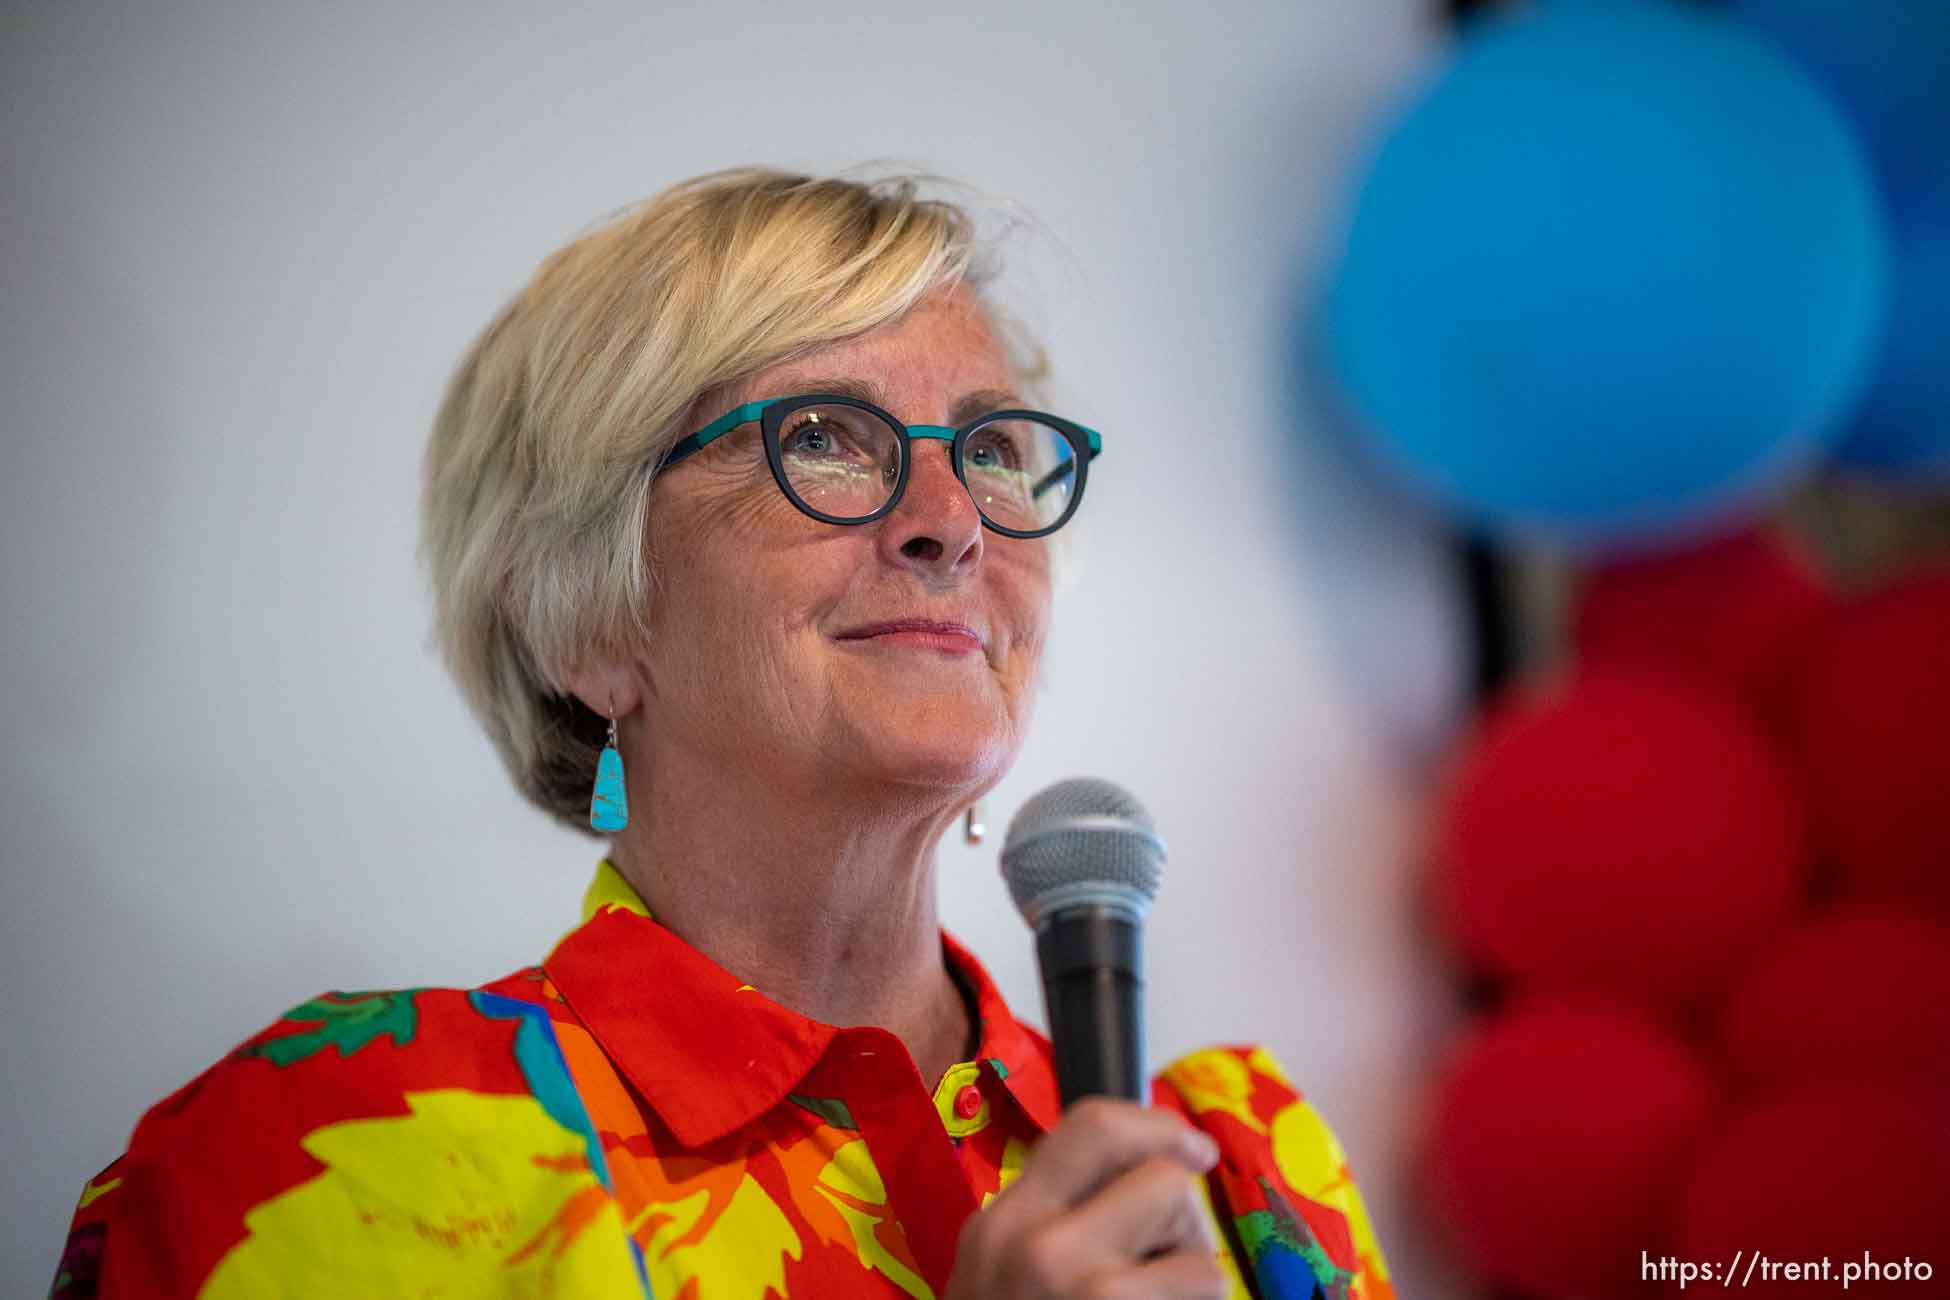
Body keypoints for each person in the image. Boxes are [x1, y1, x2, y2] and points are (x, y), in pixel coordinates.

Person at [51, 168, 1392, 1299]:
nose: (951, 518)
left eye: (989, 450)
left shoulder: (1242, 1171)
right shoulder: (333, 1148)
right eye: (825, 436)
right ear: (584, 618)